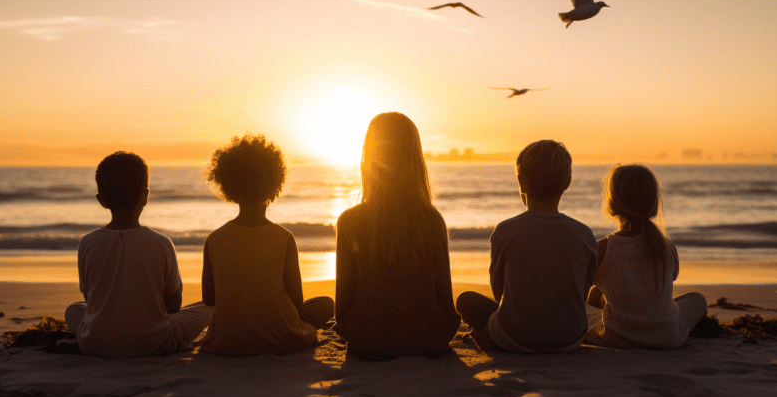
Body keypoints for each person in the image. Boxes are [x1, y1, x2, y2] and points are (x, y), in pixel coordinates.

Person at [334, 112, 461, 360]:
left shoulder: (349, 221)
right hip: (428, 340)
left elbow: (342, 310)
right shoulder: (431, 221)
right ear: (415, 159)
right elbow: (445, 301)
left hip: (367, 343)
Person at [66, 152, 213, 357]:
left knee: (73, 309)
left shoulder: (88, 243)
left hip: (94, 344)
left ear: (101, 200)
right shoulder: (161, 243)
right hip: (154, 342)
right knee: (208, 307)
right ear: (146, 196)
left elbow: (91, 300)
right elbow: (173, 306)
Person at [456, 140, 597, 353]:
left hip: (515, 337)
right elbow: (582, 293)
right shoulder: (584, 234)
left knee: (466, 300)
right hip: (570, 338)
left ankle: (486, 337)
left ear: (521, 182)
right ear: (567, 182)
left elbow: (498, 291)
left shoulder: (505, 230)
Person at [198, 134, 334, 355]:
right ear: (274, 185)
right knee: (326, 304)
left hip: (227, 341)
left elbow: (209, 298)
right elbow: (297, 300)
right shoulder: (284, 238)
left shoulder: (214, 239)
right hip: (281, 337)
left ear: (227, 186)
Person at [584, 164, 707, 349]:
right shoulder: (666, 246)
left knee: (587, 301)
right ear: (654, 205)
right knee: (698, 300)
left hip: (617, 338)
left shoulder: (603, 249)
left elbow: (578, 289)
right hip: (669, 338)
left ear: (611, 205)